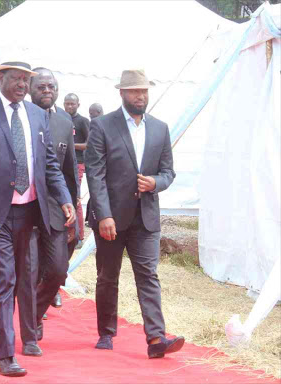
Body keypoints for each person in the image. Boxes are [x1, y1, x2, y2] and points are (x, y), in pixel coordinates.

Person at [0, 61, 75, 377]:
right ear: (1, 78)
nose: (22, 85)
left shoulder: (36, 115)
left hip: (28, 210)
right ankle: (5, 355)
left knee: (19, 278)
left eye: (26, 80)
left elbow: (49, 164)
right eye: (17, 79)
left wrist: (64, 199)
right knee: (4, 279)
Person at [85, 69, 184, 358]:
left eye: (144, 91)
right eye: (134, 91)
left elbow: (168, 172)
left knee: (148, 275)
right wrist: (104, 215)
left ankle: (156, 339)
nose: (141, 96)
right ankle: (106, 332)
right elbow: (95, 173)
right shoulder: (102, 126)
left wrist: (156, 183)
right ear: (122, 93)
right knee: (107, 276)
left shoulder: (160, 128)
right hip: (111, 218)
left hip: (146, 216)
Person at [27, 68, 78, 346]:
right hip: (23, 207)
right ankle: (29, 324)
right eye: (41, 86)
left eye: (51, 86)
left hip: (55, 209)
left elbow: (68, 167)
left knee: (58, 270)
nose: (47, 90)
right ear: (30, 88)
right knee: (30, 271)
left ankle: (34, 313)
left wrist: (73, 204)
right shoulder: (20, 116)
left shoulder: (63, 120)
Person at [64, 93, 90, 253]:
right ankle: (67, 232)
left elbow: (89, 144)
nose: (69, 107)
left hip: (78, 163)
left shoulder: (83, 121)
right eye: (67, 104)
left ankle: (79, 236)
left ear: (78, 105)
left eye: (72, 104)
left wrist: (70, 145)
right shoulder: (61, 118)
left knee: (76, 198)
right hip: (62, 163)